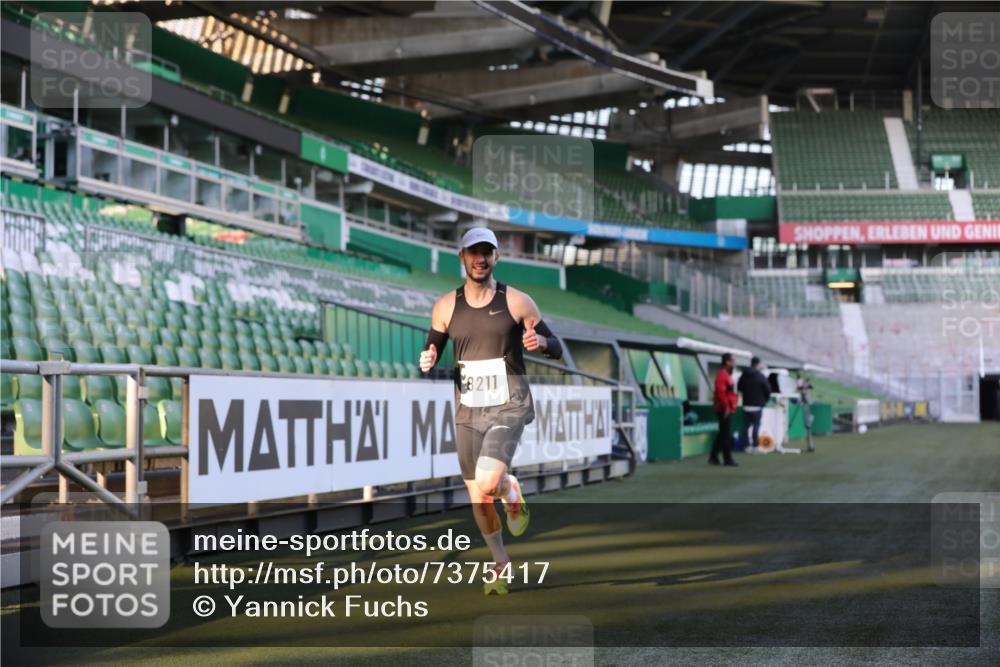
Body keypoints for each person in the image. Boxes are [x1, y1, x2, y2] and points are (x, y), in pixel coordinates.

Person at [418, 227, 563, 595]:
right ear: (462, 257)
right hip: (468, 408)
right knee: (479, 497)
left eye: (487, 252)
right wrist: (429, 356)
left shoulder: (517, 301)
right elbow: (432, 345)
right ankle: (501, 563)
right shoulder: (445, 306)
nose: (480, 259)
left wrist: (541, 341)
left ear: (496, 257)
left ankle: (511, 490)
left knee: (488, 481)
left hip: (509, 404)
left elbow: (556, 345)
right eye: (473, 252)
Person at [709, 352, 738, 467]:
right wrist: (726, 407)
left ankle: (713, 456)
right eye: (733, 361)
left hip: (726, 408)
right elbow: (721, 393)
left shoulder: (725, 374)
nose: (735, 363)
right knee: (725, 434)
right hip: (724, 409)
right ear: (727, 362)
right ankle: (727, 459)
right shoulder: (722, 375)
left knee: (722, 434)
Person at [737, 356, 771, 453]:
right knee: (756, 427)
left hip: (746, 405)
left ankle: (747, 446)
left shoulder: (743, 375)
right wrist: (765, 400)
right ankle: (755, 446)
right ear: (758, 364)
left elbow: (739, 388)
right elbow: (767, 389)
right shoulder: (760, 376)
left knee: (746, 427)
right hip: (757, 405)